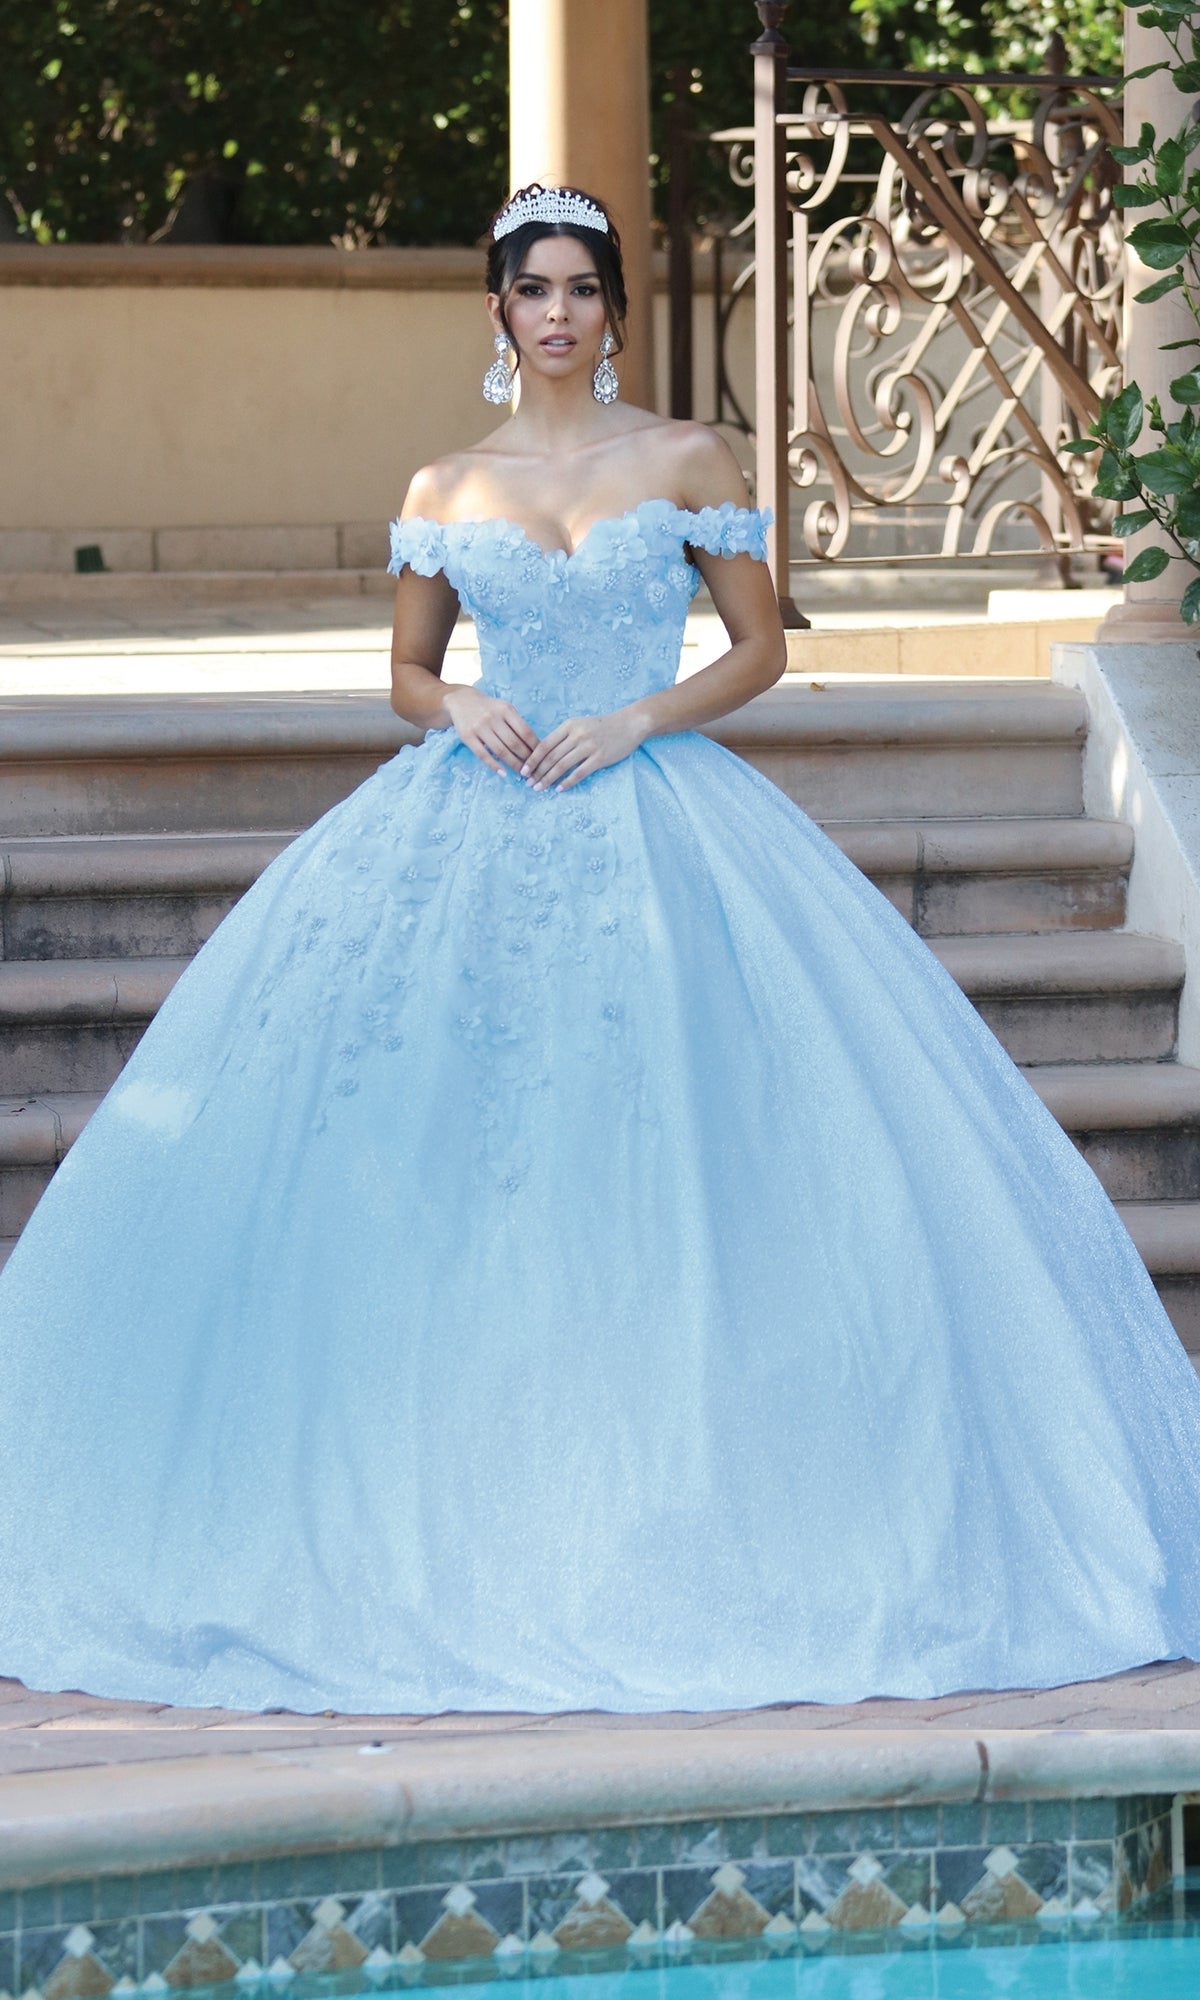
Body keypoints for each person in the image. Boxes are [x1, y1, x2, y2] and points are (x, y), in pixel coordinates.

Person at [0, 182, 1198, 1719]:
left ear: (615, 310)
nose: (558, 312)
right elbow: (404, 675)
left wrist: (641, 713)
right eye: (532, 290)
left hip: (660, 807)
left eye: (581, 287)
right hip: (471, 809)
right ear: (499, 313)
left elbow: (762, 643)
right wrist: (464, 708)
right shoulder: (449, 481)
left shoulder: (690, 458)